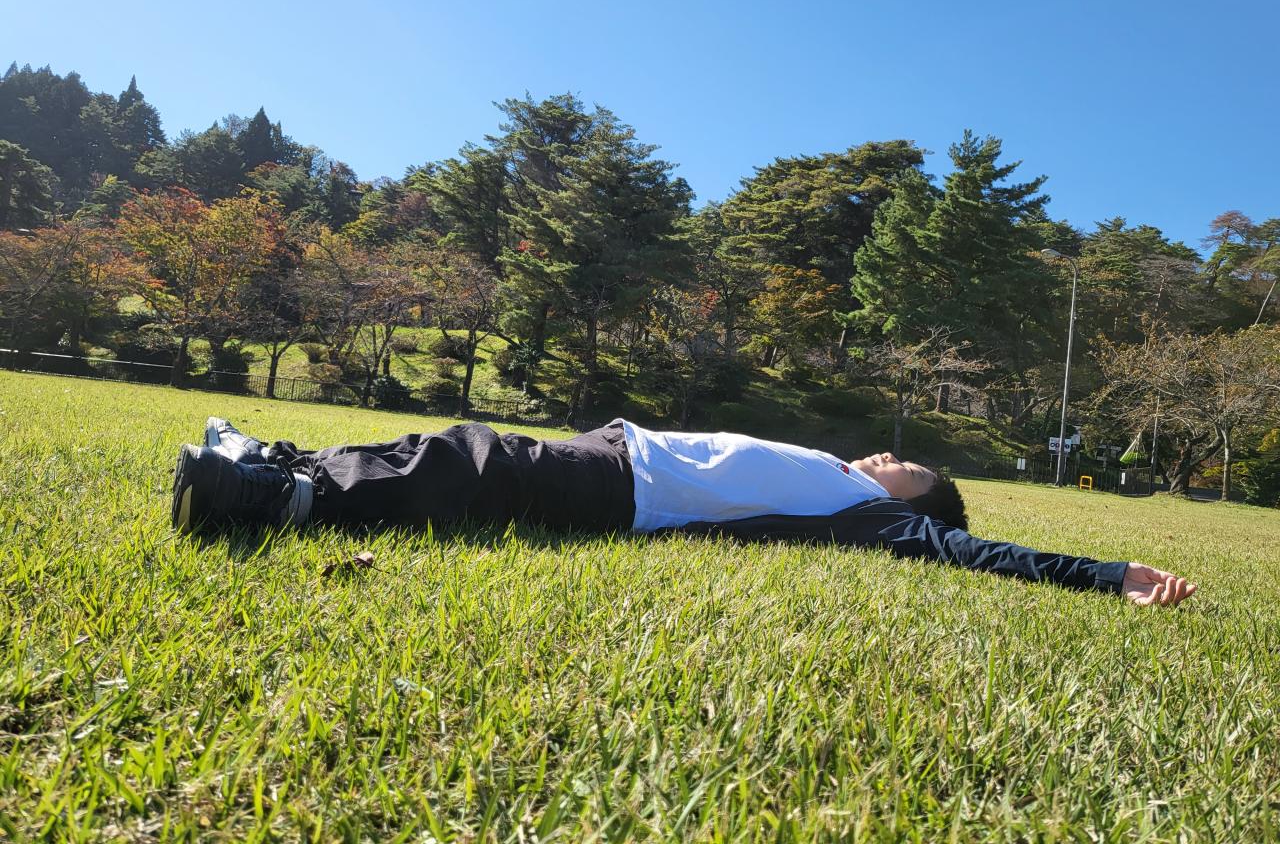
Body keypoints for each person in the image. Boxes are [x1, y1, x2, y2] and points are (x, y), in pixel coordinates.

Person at [171, 416, 1196, 607]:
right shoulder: (838, 469)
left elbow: (981, 553)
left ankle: (268, 498)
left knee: (472, 462)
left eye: (909, 470)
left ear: (918, 505)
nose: (891, 460)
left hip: (630, 490)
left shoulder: (870, 517)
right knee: (457, 445)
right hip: (625, 452)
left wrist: (1109, 576)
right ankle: (276, 465)